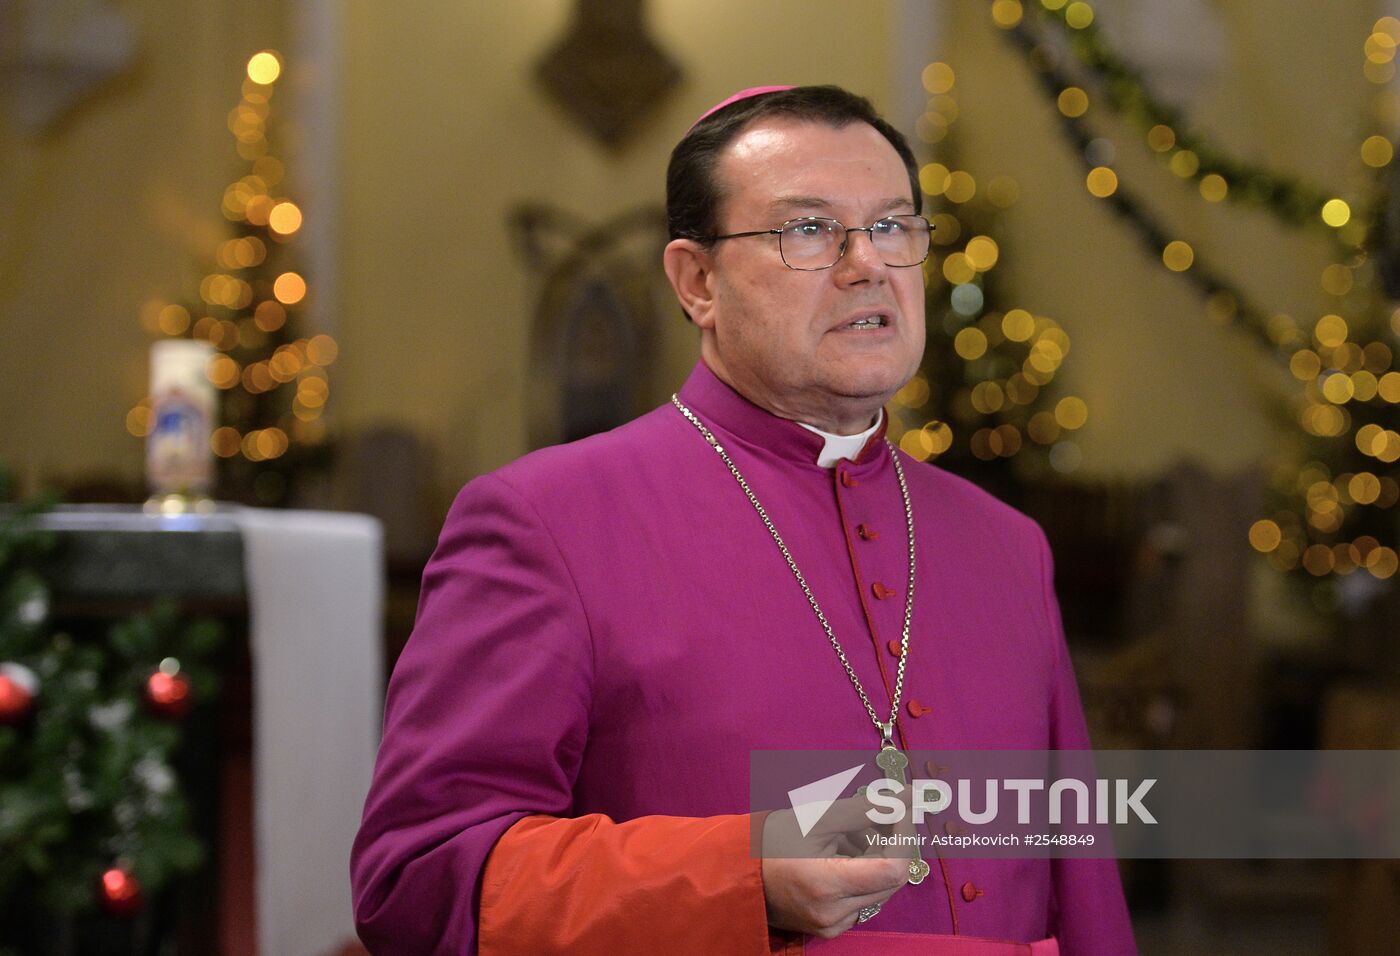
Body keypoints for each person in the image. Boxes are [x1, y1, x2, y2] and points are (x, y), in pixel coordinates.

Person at [350, 84, 1137, 955]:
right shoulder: (547, 522)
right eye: (807, 230)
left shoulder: (1004, 543)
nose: (866, 264)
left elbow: (1081, 888)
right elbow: (418, 879)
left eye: (891, 227)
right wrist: (742, 872)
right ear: (697, 282)